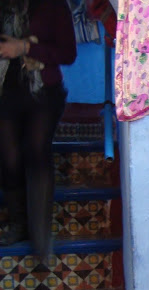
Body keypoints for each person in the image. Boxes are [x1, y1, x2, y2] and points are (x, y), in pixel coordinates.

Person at [0, 0, 76, 256]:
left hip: (44, 90)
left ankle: (41, 237)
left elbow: (68, 53)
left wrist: (25, 47)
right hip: (5, 91)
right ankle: (18, 224)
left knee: (36, 149)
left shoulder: (53, 5)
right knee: (9, 158)